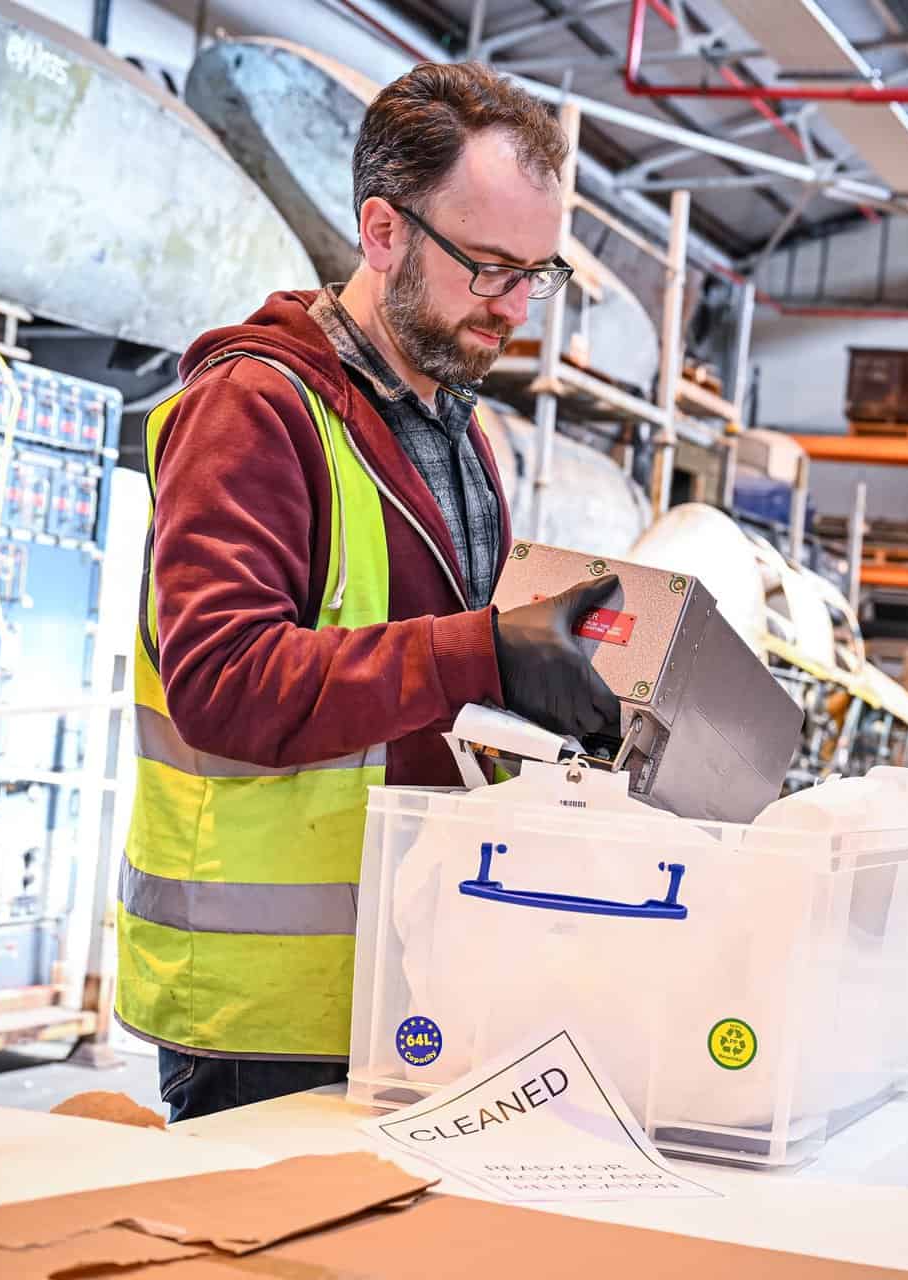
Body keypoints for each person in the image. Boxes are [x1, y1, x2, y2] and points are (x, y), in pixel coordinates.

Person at [117, 61, 621, 1123]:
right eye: (489, 267)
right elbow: (222, 684)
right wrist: (484, 649)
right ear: (383, 232)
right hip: (265, 1012)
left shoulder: (458, 432)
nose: (518, 307)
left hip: (418, 982)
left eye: (539, 273)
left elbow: (431, 695)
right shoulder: (253, 409)